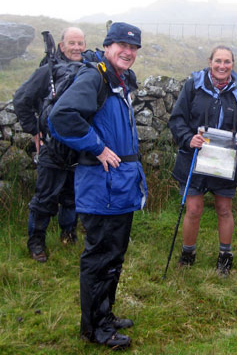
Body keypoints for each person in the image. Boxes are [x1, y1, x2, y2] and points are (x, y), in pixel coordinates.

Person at [48, 22, 147, 350]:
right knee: (100, 257)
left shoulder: (118, 80)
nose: (128, 52)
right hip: (102, 186)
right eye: (121, 45)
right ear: (107, 46)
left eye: (133, 48)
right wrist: (97, 146)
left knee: (114, 255)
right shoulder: (95, 76)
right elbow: (62, 117)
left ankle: (105, 314)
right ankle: (95, 327)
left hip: (119, 186)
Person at [169, 45, 237, 276]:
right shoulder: (193, 86)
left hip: (225, 160)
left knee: (224, 209)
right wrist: (189, 139)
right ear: (210, 62)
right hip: (194, 157)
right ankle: (187, 255)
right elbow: (177, 119)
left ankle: (225, 259)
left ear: (232, 65)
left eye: (227, 62)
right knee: (194, 209)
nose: (222, 66)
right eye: (218, 61)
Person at [13, 27, 86, 262]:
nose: (76, 48)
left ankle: (68, 234)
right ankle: (36, 242)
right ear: (61, 46)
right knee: (44, 198)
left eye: (80, 43)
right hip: (52, 148)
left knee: (72, 196)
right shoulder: (47, 72)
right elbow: (21, 100)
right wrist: (35, 131)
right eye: (71, 43)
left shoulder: (88, 71)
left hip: (79, 148)